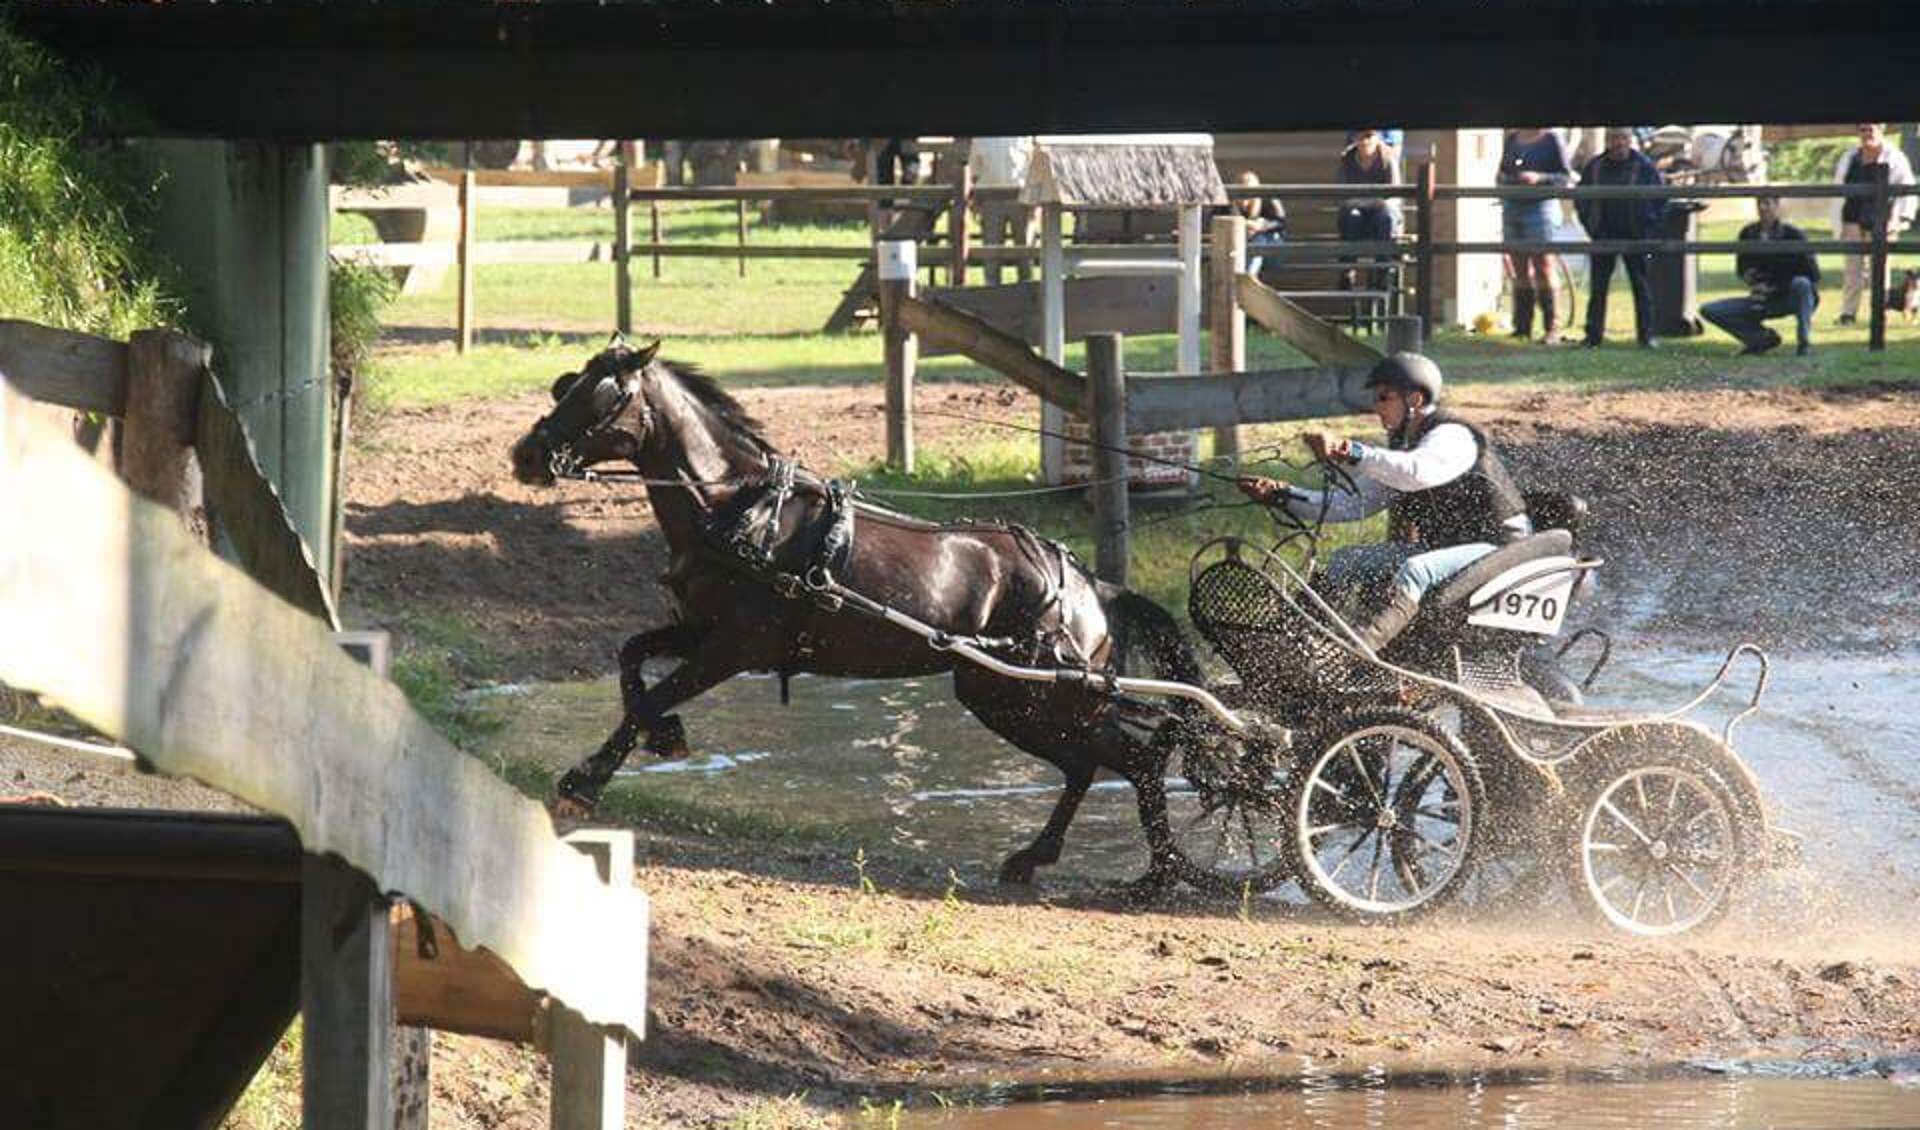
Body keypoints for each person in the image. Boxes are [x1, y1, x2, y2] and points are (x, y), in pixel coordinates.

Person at [1235, 353, 1531, 653]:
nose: (1377, 406)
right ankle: (1288, 643)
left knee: (1417, 569)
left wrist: (1348, 449)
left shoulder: (1452, 436)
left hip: (1500, 549)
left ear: (1414, 399)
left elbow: (1416, 472)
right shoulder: (1402, 451)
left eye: (1384, 397)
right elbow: (1349, 504)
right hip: (1448, 550)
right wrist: (1281, 495)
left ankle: (1359, 653)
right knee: (1345, 560)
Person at [1576, 127, 1665, 349]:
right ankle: (1593, 336)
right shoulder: (1594, 167)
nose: (1619, 142)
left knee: (1642, 286)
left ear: (1630, 140)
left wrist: (1647, 227)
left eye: (1623, 137)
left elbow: (1660, 200)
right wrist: (1591, 226)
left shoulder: (1644, 166)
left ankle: (1647, 337)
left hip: (1635, 235)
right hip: (1602, 234)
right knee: (1598, 288)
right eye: (1614, 137)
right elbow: (1581, 199)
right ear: (1607, 140)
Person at [1700, 194, 1821, 356]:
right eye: (1759, 203)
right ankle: (1760, 339)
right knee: (1711, 310)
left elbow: (1813, 274)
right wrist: (1751, 280)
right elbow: (1742, 267)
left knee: (1802, 284)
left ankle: (1804, 344)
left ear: (1777, 207)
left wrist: (1778, 286)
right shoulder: (1748, 233)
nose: (1763, 208)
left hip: (1790, 296)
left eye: (1767, 203)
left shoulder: (1793, 234)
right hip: (1762, 297)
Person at [1832, 123, 1917, 326]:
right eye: (1862, 130)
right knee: (1852, 268)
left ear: (1881, 130)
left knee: (1880, 268)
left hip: (1881, 219)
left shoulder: (1894, 156)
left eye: (1871, 129)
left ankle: (1879, 312)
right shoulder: (1850, 156)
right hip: (1852, 217)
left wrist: (1899, 219)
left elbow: (1907, 189)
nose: (1867, 134)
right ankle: (1848, 313)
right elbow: (1838, 187)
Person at [1498, 128, 1577, 342]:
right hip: (1513, 204)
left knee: (1543, 264)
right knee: (1519, 266)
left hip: (1540, 207)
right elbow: (1502, 171)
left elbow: (1564, 177)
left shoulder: (1551, 139)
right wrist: (1509, 179)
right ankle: (1522, 326)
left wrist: (1539, 177)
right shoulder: (1513, 139)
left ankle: (1552, 327)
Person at [1336, 129, 1403, 293]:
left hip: (1381, 212)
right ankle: (1347, 272)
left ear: (1377, 138)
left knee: (1384, 217)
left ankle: (1382, 271)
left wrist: (1372, 202)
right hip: (1358, 211)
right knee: (1350, 217)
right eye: (1360, 136)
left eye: (1369, 137)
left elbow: (1395, 196)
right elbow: (1341, 196)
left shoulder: (1388, 158)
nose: (1365, 141)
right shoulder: (1347, 159)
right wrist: (1368, 202)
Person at [967, 136, 1037, 285]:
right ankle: (991, 292)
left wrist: (1034, 202)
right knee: (991, 250)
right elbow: (974, 170)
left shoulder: (1025, 136)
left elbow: (1033, 167)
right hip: (991, 198)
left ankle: (1027, 291)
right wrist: (976, 200)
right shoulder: (980, 138)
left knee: (1025, 249)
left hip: (1021, 198)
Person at [1230, 170, 1289, 280]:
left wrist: (1261, 226)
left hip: (1271, 249)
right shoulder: (1229, 203)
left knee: (1258, 240)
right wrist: (1243, 225)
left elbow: (1280, 223)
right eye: (1241, 194)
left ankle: (1249, 278)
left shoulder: (1269, 200)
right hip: (1239, 248)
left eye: (1249, 194)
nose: (1244, 200)